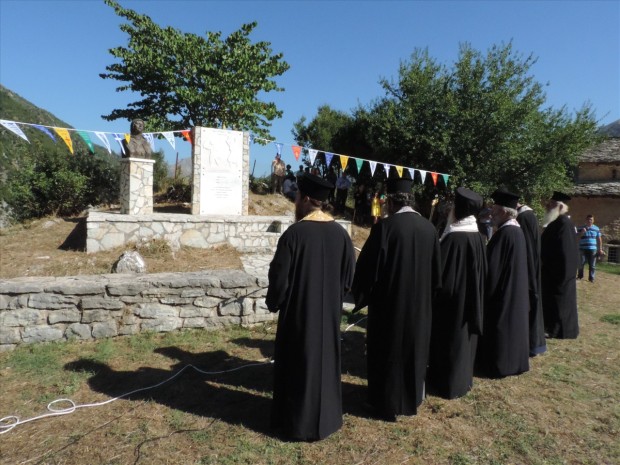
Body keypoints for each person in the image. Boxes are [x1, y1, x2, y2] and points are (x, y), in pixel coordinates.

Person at [266, 173, 355, 441]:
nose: (295, 201)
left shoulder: (294, 234)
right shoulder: (341, 235)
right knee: (324, 366)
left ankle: (296, 422)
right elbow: (348, 279)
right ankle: (327, 419)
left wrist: (274, 302)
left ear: (304, 199)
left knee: (298, 366)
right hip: (328, 317)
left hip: (299, 316)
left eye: (296, 197)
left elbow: (279, 278)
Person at [352, 170, 441, 420]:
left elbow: (367, 270)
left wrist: (361, 294)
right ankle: (413, 397)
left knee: (387, 353)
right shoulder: (429, 229)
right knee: (414, 351)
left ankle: (385, 403)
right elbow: (437, 274)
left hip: (389, 307)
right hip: (420, 308)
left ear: (391, 202)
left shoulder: (385, 228)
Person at [427, 187, 487, 399]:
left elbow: (440, 274)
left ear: (458, 210)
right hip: (470, 301)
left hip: (453, 304)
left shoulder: (455, 238)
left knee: (450, 343)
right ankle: (462, 381)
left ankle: (446, 384)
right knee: (465, 344)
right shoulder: (478, 236)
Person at [477, 188, 530, 378]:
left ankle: (499, 364)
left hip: (503, 295)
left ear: (504, 212)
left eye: (494, 209)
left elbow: (492, 268)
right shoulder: (516, 231)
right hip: (514, 291)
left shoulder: (506, 233)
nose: (491, 213)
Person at [541, 191, 579, 339]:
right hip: (552, 271)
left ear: (560, 207)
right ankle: (551, 327)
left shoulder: (563, 223)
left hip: (559, 273)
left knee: (559, 303)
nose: (548, 206)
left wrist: (561, 273)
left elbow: (566, 251)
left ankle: (556, 330)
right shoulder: (556, 223)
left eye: (552, 204)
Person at [517, 201, 547, 357]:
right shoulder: (529, 215)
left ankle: (532, 344)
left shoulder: (524, 217)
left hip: (528, 269)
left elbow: (526, 247)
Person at [577, 214, 603, 283]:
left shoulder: (596, 228)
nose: (589, 221)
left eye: (591, 219)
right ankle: (580, 276)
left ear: (593, 221)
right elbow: (577, 237)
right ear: (586, 220)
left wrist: (600, 249)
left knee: (592, 265)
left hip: (593, 249)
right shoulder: (580, 228)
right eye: (588, 219)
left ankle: (591, 278)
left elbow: (599, 239)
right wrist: (582, 233)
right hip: (582, 248)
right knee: (581, 263)